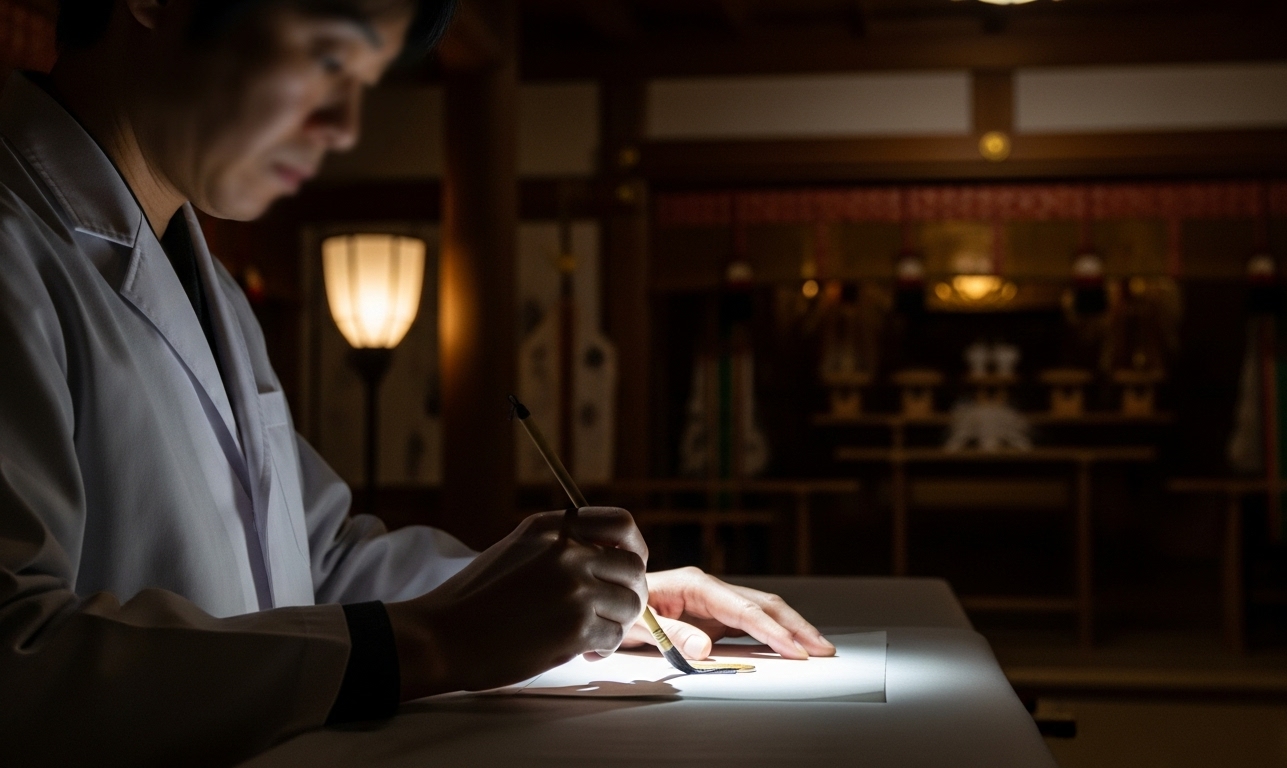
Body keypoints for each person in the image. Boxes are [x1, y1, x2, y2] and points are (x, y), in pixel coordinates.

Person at [0, 0, 835, 764]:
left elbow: (320, 561)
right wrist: (434, 641)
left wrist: (583, 602)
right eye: (326, 60)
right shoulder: (15, 244)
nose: (341, 127)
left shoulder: (203, 275)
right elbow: (20, 659)